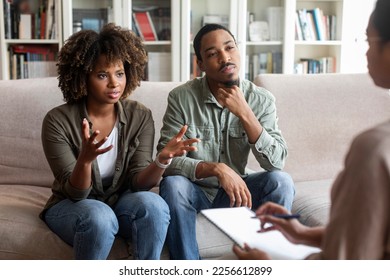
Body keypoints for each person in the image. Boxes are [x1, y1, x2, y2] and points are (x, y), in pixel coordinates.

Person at [233, 0, 390, 260]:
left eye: (369, 41)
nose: (365, 52)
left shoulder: (374, 149)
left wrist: (269, 268)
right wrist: (302, 234)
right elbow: (369, 237)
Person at [39, 23, 199, 260]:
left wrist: (162, 161)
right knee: (100, 216)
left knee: (154, 206)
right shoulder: (57, 121)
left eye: (120, 73)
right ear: (83, 77)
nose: (114, 83)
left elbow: (139, 183)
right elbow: (75, 193)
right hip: (71, 206)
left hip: (120, 203)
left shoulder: (140, 115)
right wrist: (84, 161)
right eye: (102, 75)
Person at [157, 23, 295, 260]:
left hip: (240, 192)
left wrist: (245, 113)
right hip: (195, 190)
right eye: (212, 54)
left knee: (281, 181)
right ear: (200, 64)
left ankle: (267, 266)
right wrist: (216, 169)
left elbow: (276, 162)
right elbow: (166, 160)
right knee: (173, 185)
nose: (225, 57)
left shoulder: (260, 99)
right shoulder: (181, 98)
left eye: (229, 48)